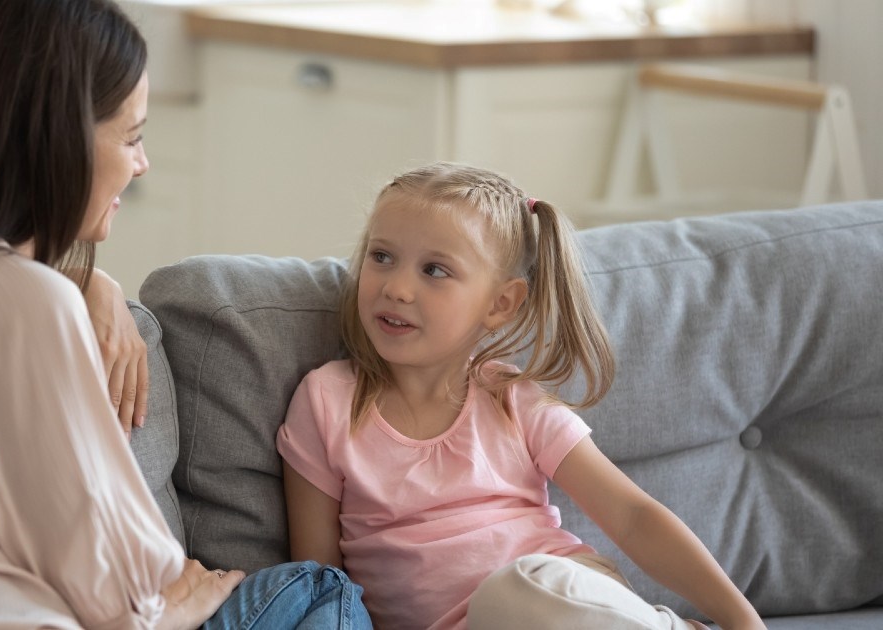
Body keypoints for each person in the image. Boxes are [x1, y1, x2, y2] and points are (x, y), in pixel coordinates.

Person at [0, 0, 371, 628]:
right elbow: (125, 581)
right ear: (57, 142)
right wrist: (165, 604)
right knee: (321, 590)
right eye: (132, 137)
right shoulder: (25, 304)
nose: (141, 164)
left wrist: (86, 280)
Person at [277, 162, 766, 630]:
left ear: (500, 304)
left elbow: (633, 518)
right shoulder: (325, 402)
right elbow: (320, 585)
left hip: (558, 600)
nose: (397, 288)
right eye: (381, 257)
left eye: (435, 270)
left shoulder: (512, 399)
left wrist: (742, 619)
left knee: (512, 593)